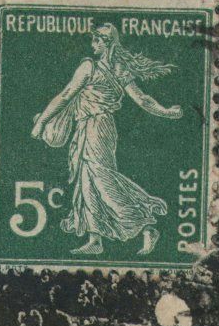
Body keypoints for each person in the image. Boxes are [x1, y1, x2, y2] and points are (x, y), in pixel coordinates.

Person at [30, 23, 181, 256]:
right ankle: (95, 239)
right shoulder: (119, 69)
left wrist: (42, 122)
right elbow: (143, 100)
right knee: (87, 180)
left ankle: (146, 226)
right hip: (95, 127)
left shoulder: (89, 67)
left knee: (101, 178)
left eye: (96, 40)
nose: (92, 45)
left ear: (105, 42)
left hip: (95, 127)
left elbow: (67, 94)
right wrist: (167, 111)